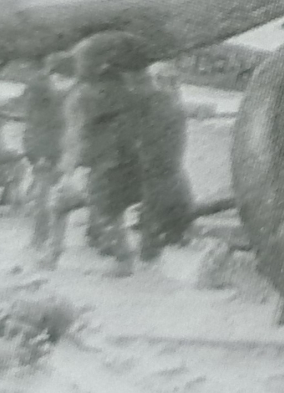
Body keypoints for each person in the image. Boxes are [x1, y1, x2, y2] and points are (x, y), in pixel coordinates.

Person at [44, 30, 147, 276]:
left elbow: (75, 138)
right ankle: (117, 258)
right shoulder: (118, 89)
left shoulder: (79, 97)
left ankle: (121, 262)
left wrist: (66, 170)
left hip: (100, 167)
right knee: (110, 214)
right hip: (127, 165)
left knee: (83, 209)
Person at [134, 64, 194, 262]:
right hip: (168, 162)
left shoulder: (160, 102)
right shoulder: (172, 103)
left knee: (154, 204)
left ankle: (151, 249)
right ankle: (172, 238)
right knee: (172, 199)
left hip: (159, 162)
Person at [19, 55, 71, 251]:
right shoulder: (41, 95)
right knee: (44, 198)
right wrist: (35, 155)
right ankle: (40, 240)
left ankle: (53, 242)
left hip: (65, 155)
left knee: (60, 199)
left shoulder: (74, 96)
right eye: (61, 79)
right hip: (46, 155)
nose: (65, 84)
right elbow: (33, 127)